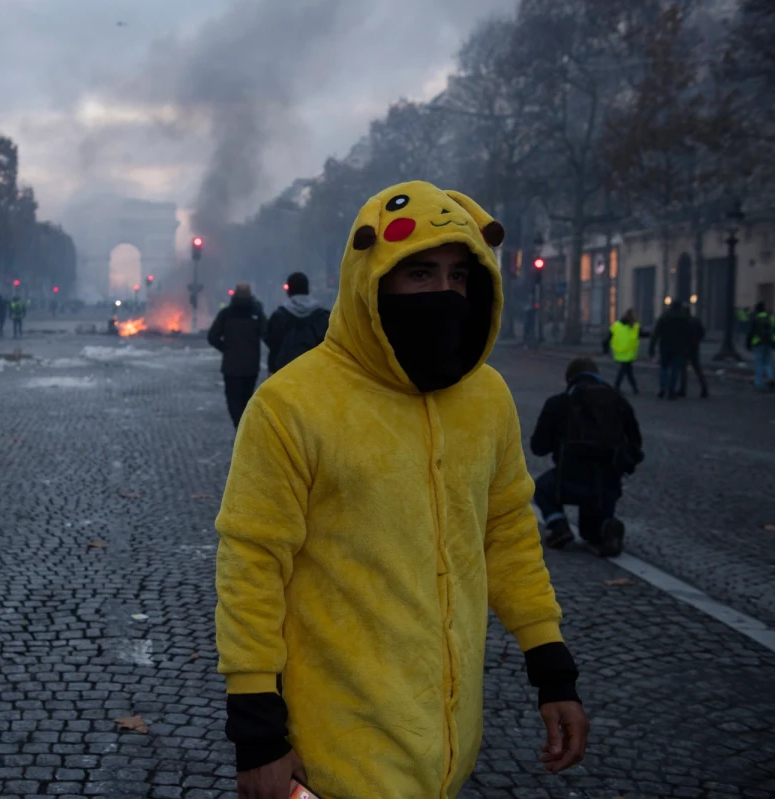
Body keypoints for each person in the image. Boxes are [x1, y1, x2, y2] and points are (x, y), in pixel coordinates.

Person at [216, 182, 587, 799]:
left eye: (458, 277)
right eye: (418, 274)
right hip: (331, 755)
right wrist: (257, 734)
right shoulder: (289, 404)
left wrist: (553, 671)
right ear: (372, 277)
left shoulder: (488, 398)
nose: (443, 294)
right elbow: (252, 565)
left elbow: (508, 535)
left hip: (448, 749)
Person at [530, 357, 644, 556]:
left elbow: (538, 447)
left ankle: (558, 524)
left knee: (539, 487)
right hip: (607, 483)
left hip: (567, 479)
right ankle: (608, 526)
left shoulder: (559, 403)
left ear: (569, 379)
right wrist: (621, 467)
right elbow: (635, 444)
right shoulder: (619, 401)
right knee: (591, 532)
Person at [207, 282, 267, 429]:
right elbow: (268, 335)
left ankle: (239, 426)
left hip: (231, 366)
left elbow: (212, 337)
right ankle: (244, 428)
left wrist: (226, 349)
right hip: (251, 366)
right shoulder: (257, 314)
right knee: (247, 399)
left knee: (233, 401)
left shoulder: (226, 314)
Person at [264, 271, 331, 375]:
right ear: (308, 290)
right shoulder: (322, 315)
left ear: (289, 291)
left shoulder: (279, 315)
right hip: (315, 370)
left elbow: (272, 343)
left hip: (285, 371)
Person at [648, 301, 690, 399]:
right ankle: (671, 391)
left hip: (665, 347)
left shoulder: (664, 317)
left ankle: (663, 387)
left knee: (664, 369)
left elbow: (655, 334)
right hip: (679, 348)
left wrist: (651, 348)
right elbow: (688, 335)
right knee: (675, 371)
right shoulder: (684, 319)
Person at [603, 308, 641, 394]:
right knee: (625, 371)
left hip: (619, 352)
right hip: (629, 352)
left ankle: (633, 387)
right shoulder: (635, 327)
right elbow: (643, 334)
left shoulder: (616, 326)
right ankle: (618, 387)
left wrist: (605, 350)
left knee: (627, 370)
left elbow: (607, 339)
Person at [747, 300, 775, 391]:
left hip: (758, 344)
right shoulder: (771, 318)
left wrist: (748, 344)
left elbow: (751, 333)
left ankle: (759, 384)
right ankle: (771, 377)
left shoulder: (756, 318)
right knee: (768, 362)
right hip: (769, 343)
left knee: (759, 364)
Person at [678, 309, 708, 398]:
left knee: (683, 370)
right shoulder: (696, 321)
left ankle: (682, 389)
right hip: (694, 347)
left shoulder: (682, 322)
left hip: (684, 347)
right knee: (697, 369)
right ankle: (704, 388)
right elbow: (702, 333)